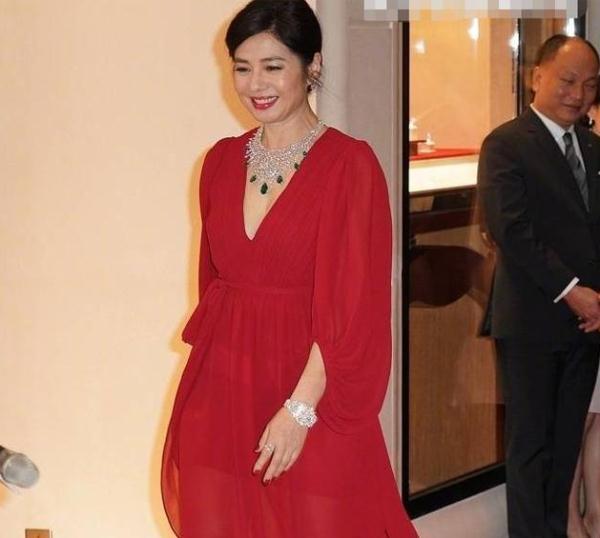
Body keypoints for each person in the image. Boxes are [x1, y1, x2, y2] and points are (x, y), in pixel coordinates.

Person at [161, 1, 418, 536]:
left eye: (273, 66)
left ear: (312, 65)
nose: (256, 84)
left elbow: (355, 305)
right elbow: (214, 288)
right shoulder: (219, 162)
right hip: (222, 390)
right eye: (242, 67)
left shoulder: (349, 165)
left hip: (312, 390)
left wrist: (300, 411)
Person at [478, 35, 600, 537]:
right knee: (530, 450)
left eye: (589, 85)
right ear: (537, 77)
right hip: (532, 321)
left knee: (565, 448)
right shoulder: (506, 143)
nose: (578, 94)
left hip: (586, 324)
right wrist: (573, 291)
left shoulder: (591, 146)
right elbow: (511, 230)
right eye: (568, 81)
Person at [568, 93, 600, 538]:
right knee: (577, 419)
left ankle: (593, 516)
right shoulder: (578, 153)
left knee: (595, 416)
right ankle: (572, 521)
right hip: (577, 302)